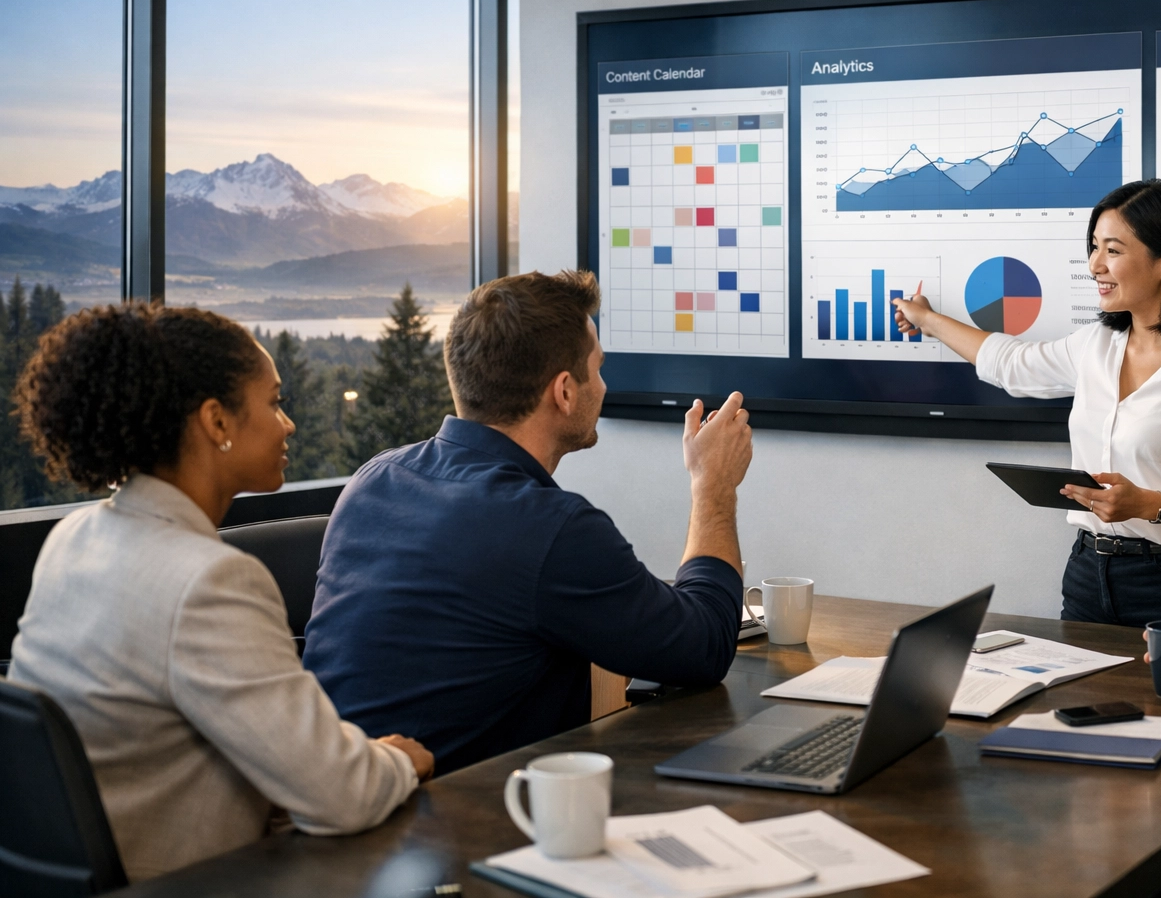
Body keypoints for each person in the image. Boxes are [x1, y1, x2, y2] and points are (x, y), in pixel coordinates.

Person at [6, 303, 431, 882]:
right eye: (275, 402)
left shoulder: (73, 538)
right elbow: (344, 797)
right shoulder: (207, 581)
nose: (289, 424)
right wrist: (397, 762)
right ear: (218, 422)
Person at [302, 270, 751, 775]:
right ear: (563, 391)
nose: (603, 385)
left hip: (340, 809)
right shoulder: (549, 528)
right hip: (460, 824)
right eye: (597, 368)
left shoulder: (372, 480)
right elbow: (706, 647)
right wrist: (712, 484)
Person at [892, 179, 1161, 626]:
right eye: (1094, 247)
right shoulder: (1096, 344)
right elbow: (1013, 364)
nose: (1094, 265)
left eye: (1113, 250)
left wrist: (1150, 504)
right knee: (1082, 698)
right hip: (1089, 573)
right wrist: (929, 320)